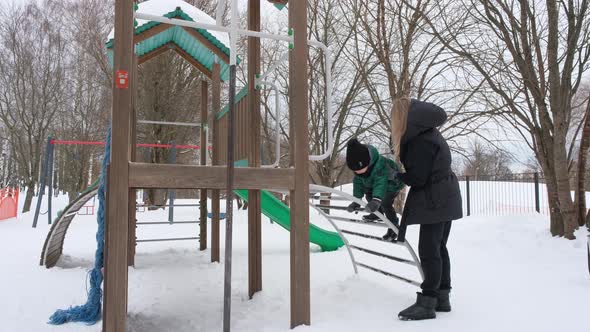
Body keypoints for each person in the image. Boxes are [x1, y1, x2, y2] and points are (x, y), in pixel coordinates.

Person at [390, 98, 463, 321]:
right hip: (444, 194)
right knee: (438, 247)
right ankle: (442, 297)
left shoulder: (421, 140)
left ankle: (428, 302)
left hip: (436, 197)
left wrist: (397, 175)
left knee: (429, 249)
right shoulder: (428, 134)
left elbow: (418, 178)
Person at [345, 138, 404, 241]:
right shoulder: (360, 170)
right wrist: (356, 201)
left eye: (359, 169)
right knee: (369, 195)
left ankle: (394, 227)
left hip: (392, 183)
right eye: (355, 171)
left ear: (366, 161)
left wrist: (376, 200)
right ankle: (378, 214)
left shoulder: (379, 165)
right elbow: (358, 184)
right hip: (374, 185)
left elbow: (380, 183)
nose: (358, 172)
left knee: (385, 203)